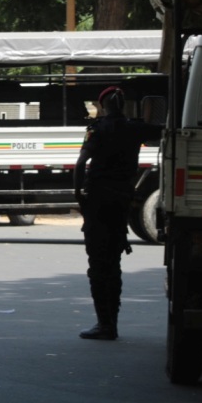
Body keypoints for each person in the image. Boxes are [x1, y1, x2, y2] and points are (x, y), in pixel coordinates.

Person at [74, 86, 162, 340]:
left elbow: (81, 164)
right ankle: (111, 322)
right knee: (113, 263)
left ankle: (105, 324)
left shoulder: (97, 129)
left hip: (98, 203)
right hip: (121, 202)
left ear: (102, 106)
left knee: (98, 264)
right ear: (122, 105)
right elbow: (163, 128)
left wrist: (79, 195)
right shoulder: (134, 128)